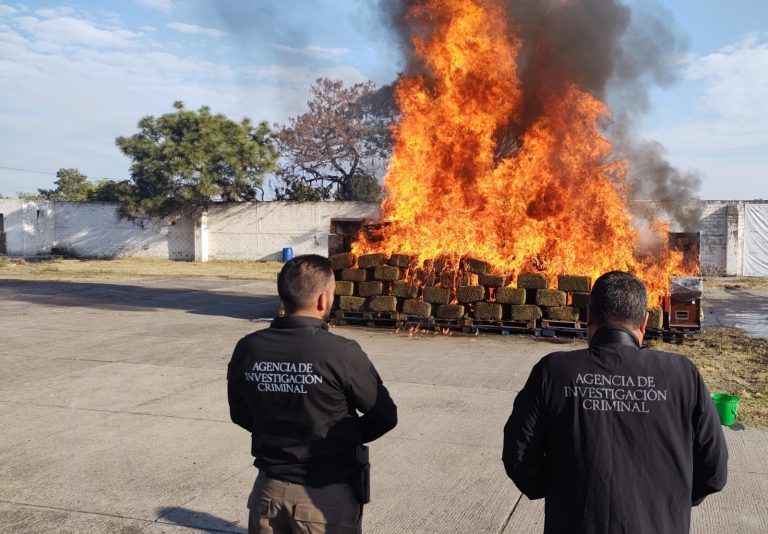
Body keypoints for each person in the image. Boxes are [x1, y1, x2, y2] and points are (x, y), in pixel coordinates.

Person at [502, 271, 728, 534]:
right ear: (644, 323)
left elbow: (518, 455)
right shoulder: (682, 374)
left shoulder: (553, 371)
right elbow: (714, 471)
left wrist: (556, 490)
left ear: (588, 317)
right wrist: (670, 501)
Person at [228, 254, 397, 534]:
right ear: (322, 300)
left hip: (266, 496)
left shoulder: (248, 348)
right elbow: (384, 416)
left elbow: (241, 414)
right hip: (324, 500)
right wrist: (338, 437)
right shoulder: (341, 352)